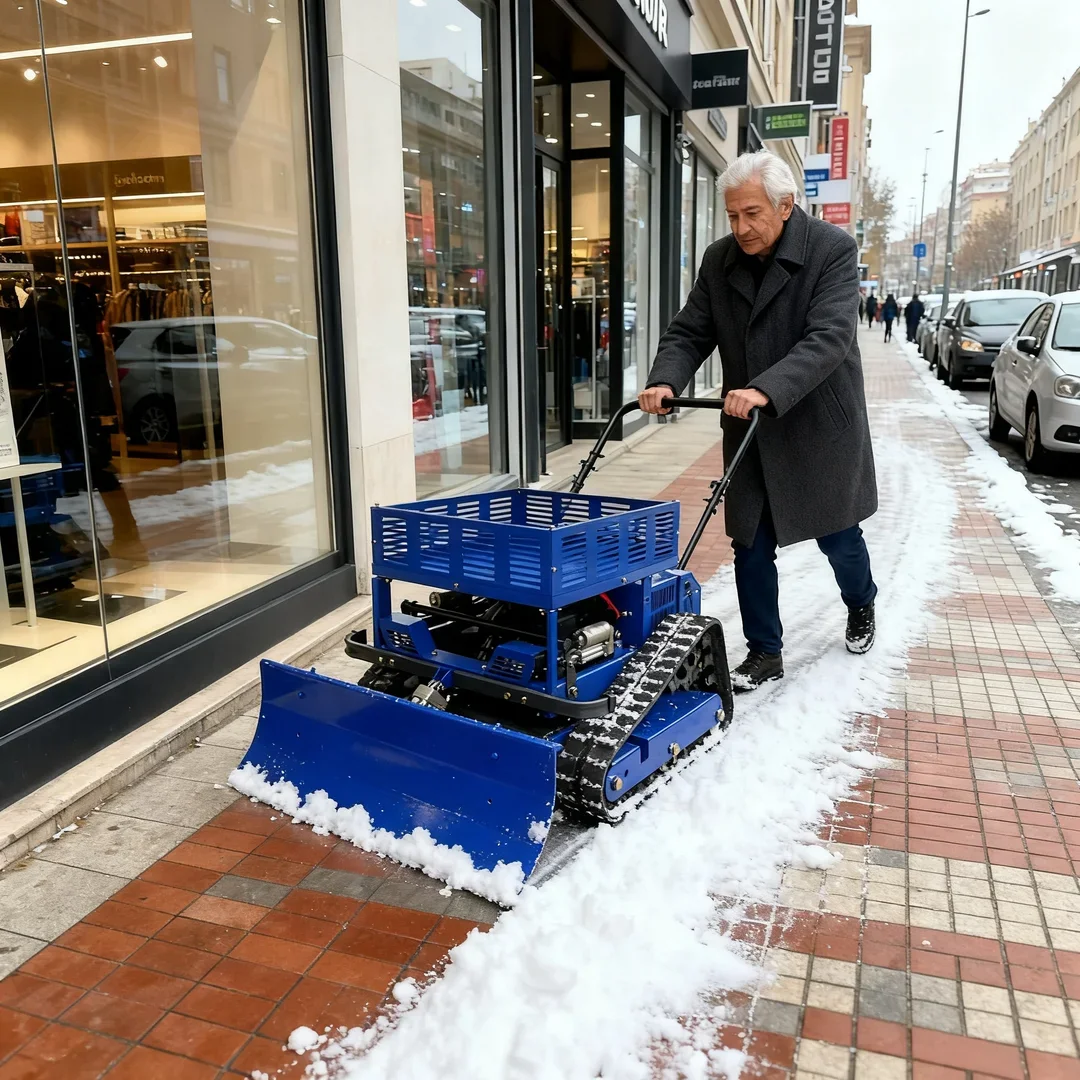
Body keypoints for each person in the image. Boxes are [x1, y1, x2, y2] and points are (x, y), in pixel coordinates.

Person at [639, 149, 878, 692]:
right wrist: (665, 380)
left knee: (837, 536)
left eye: (752, 214)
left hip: (816, 422)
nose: (741, 227)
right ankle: (764, 652)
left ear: (786, 205)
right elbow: (690, 330)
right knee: (749, 542)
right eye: (732, 216)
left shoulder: (831, 250)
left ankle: (861, 603)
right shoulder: (720, 259)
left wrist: (767, 387)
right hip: (748, 426)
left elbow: (830, 337)